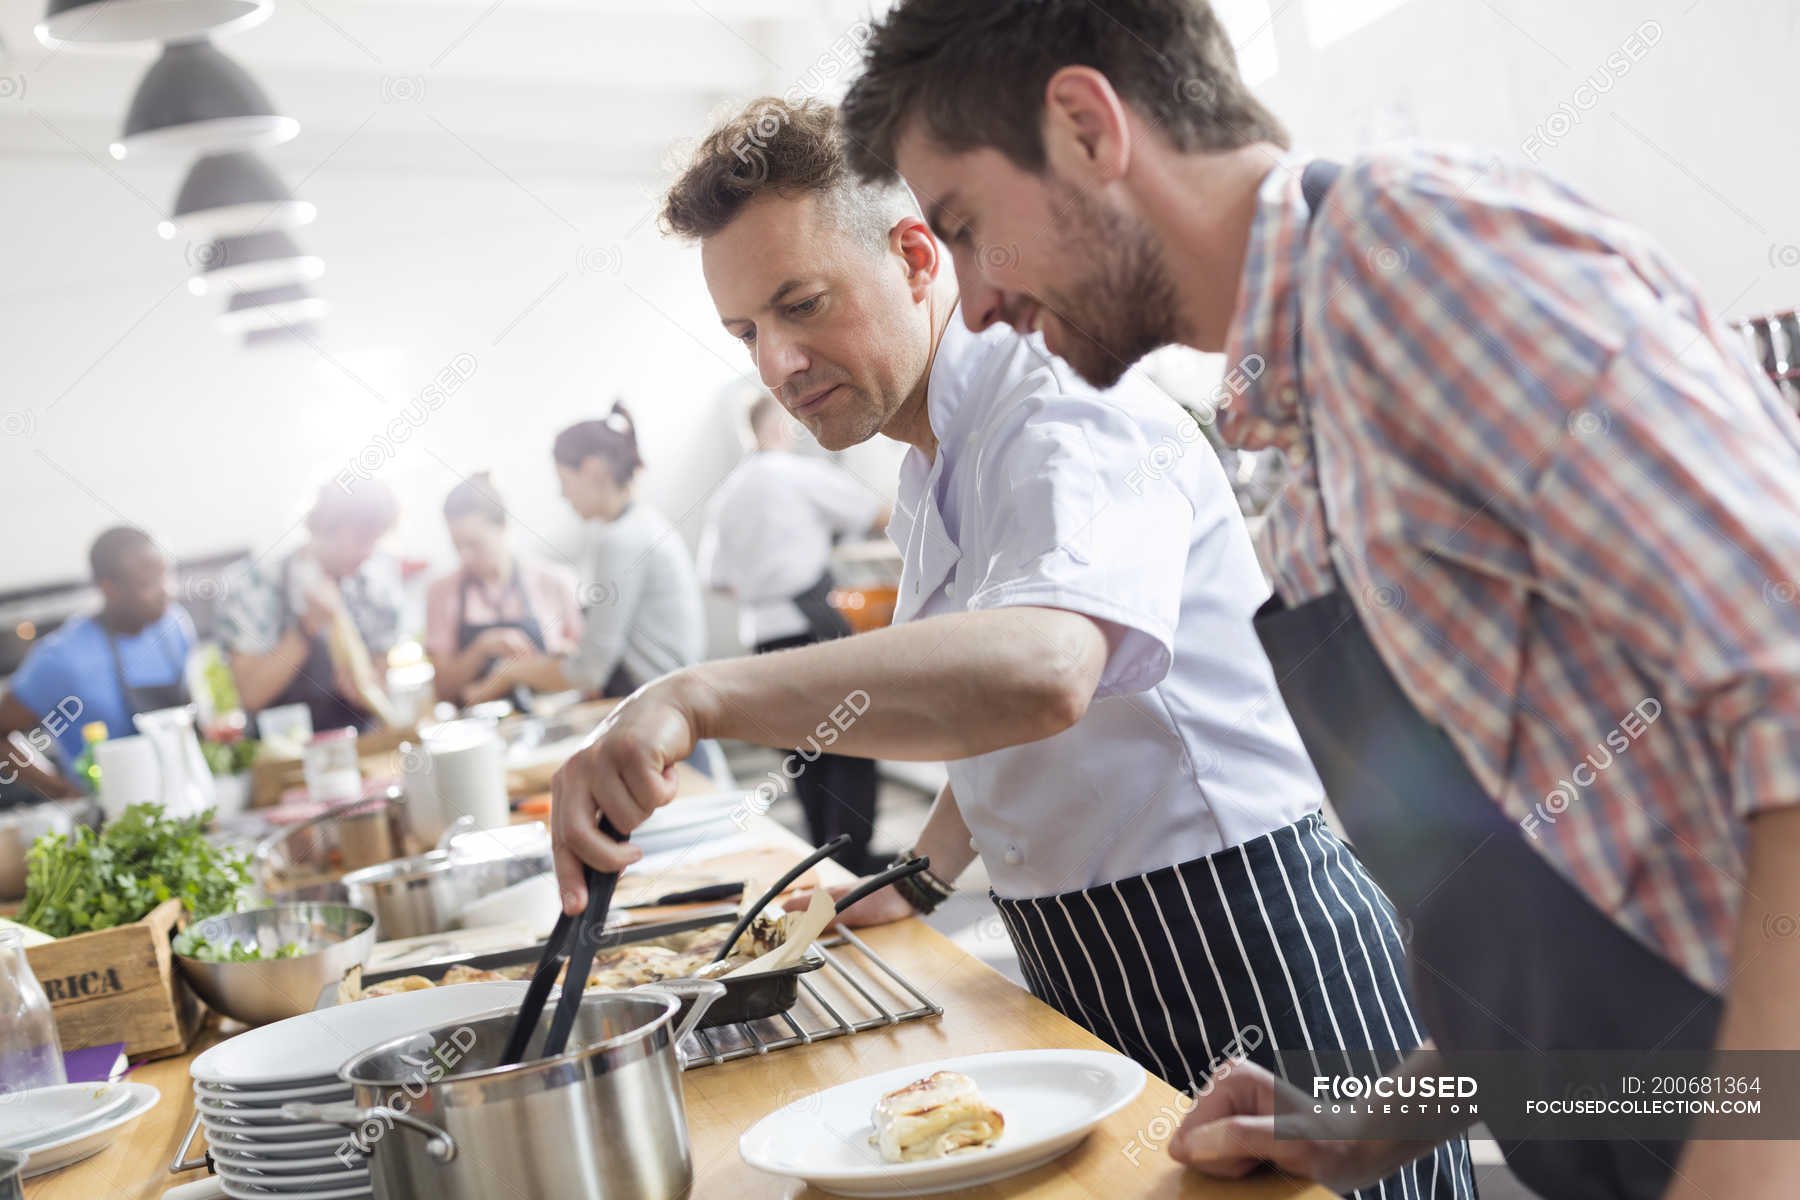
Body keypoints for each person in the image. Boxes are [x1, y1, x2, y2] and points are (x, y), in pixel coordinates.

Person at [841, 3, 1800, 1197]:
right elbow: (1573, 929)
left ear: (1088, 128)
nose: (975, 304)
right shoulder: (1289, 434)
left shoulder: (1421, 260)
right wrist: (1369, 1119)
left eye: (968, 227)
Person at [550, 99, 1473, 1200]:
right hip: (1086, 945)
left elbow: (1043, 671)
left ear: (914, 255)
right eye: (748, 334)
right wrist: (930, 869)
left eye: (802, 305)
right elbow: (975, 708)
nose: (782, 363)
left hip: (1245, 939)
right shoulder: (930, 467)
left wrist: (698, 696)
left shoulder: (1061, 402)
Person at [697, 394, 890, 872]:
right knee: (851, 743)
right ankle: (852, 864)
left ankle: (823, 859)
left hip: (763, 636)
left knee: (804, 756)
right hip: (810, 627)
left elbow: (714, 577)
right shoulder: (793, 473)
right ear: (783, 428)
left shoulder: (728, 494)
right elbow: (877, 513)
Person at [465, 404, 707, 708]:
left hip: (660, 712)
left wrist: (508, 673)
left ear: (592, 470)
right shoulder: (644, 523)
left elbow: (590, 673)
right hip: (672, 707)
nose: (563, 495)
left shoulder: (622, 540)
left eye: (564, 481)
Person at [1, 527, 194, 798]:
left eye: (165, 575)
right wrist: (60, 789)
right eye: (146, 584)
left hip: (188, 795)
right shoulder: (62, 658)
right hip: (111, 816)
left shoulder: (175, 625)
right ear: (109, 589)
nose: (166, 591)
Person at [220, 477, 403, 734]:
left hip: (359, 743)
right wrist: (308, 626)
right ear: (322, 528)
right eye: (361, 538)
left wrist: (362, 689)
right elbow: (251, 695)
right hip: (281, 753)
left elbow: (381, 690)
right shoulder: (255, 585)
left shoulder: (376, 590)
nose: (367, 552)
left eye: (374, 540)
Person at [424, 472, 584, 709]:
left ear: (503, 526)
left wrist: (523, 670)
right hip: (476, 735)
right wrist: (482, 647)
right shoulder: (441, 593)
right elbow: (443, 691)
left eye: (474, 544)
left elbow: (586, 672)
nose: (465, 555)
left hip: (553, 721)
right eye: (457, 545)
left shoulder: (553, 581)